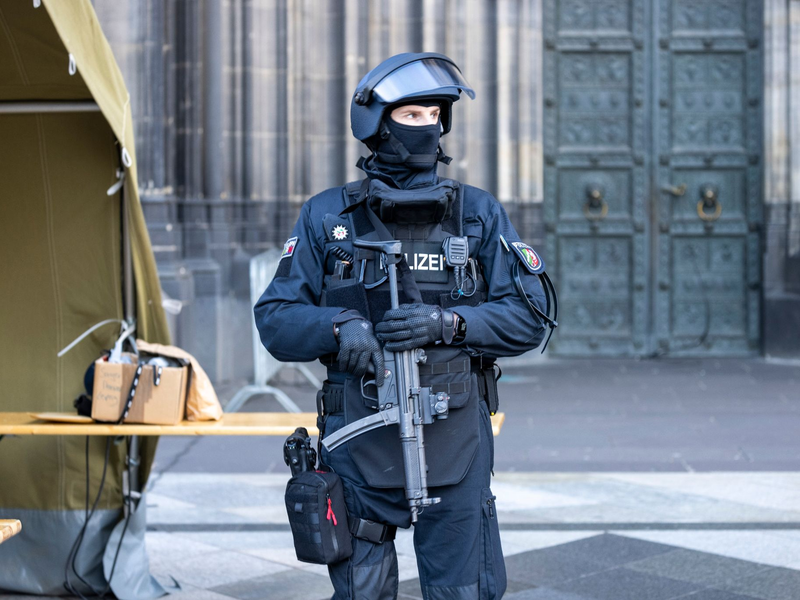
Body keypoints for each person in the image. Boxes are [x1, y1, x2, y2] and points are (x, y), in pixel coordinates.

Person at [255, 52, 556, 600]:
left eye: (435, 115)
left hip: (455, 441)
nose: (427, 127)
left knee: (463, 592)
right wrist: (340, 327)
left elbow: (529, 318)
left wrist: (449, 323)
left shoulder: (476, 214)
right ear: (376, 122)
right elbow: (275, 319)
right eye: (412, 115)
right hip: (358, 439)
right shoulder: (328, 216)